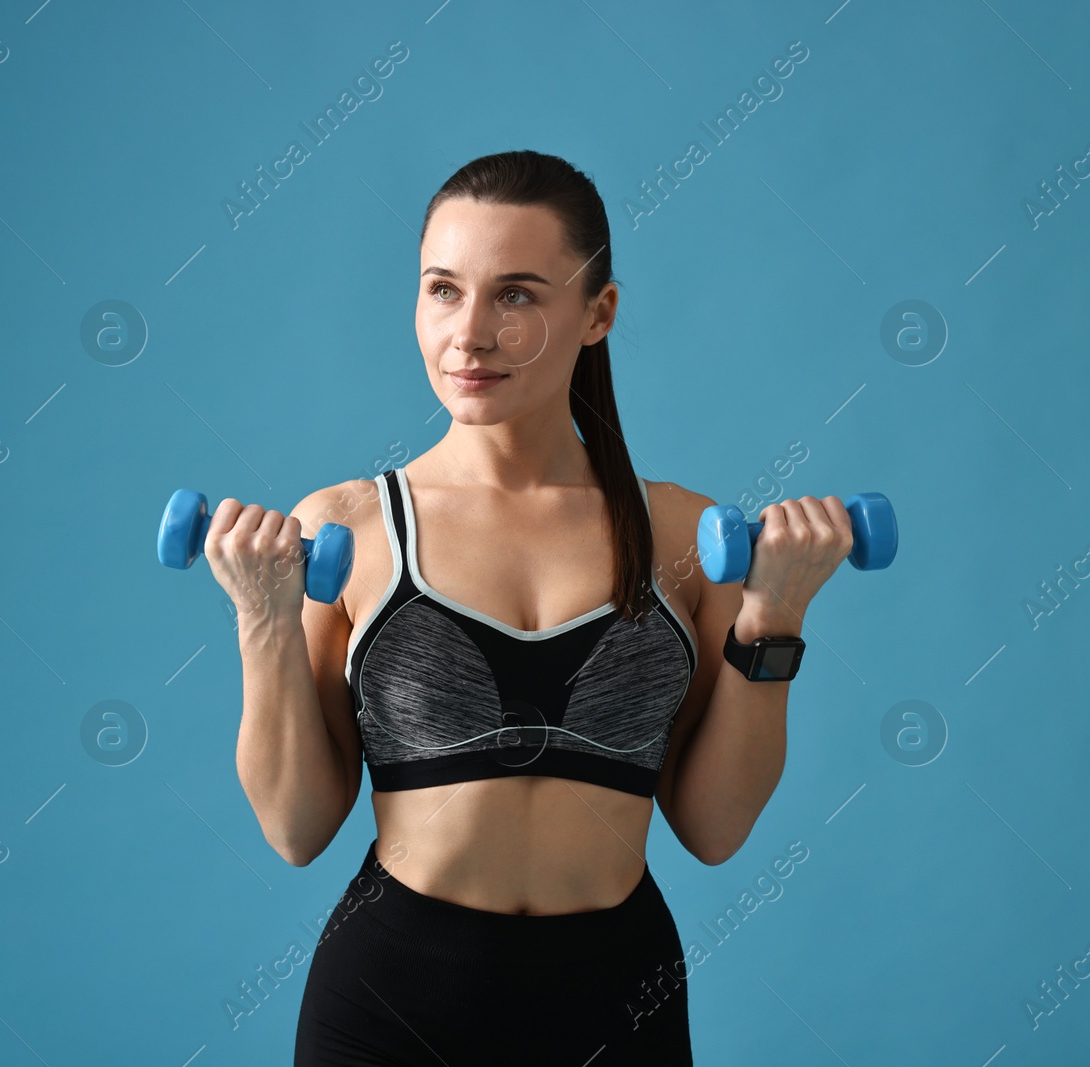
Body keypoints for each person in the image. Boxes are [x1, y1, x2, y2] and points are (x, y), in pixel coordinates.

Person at [202, 149, 857, 1065]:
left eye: (515, 295)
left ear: (599, 313)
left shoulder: (684, 535)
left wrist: (774, 619)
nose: (468, 334)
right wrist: (264, 621)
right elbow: (296, 828)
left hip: (616, 1001)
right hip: (390, 1005)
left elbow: (714, 828)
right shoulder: (353, 527)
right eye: (442, 289)